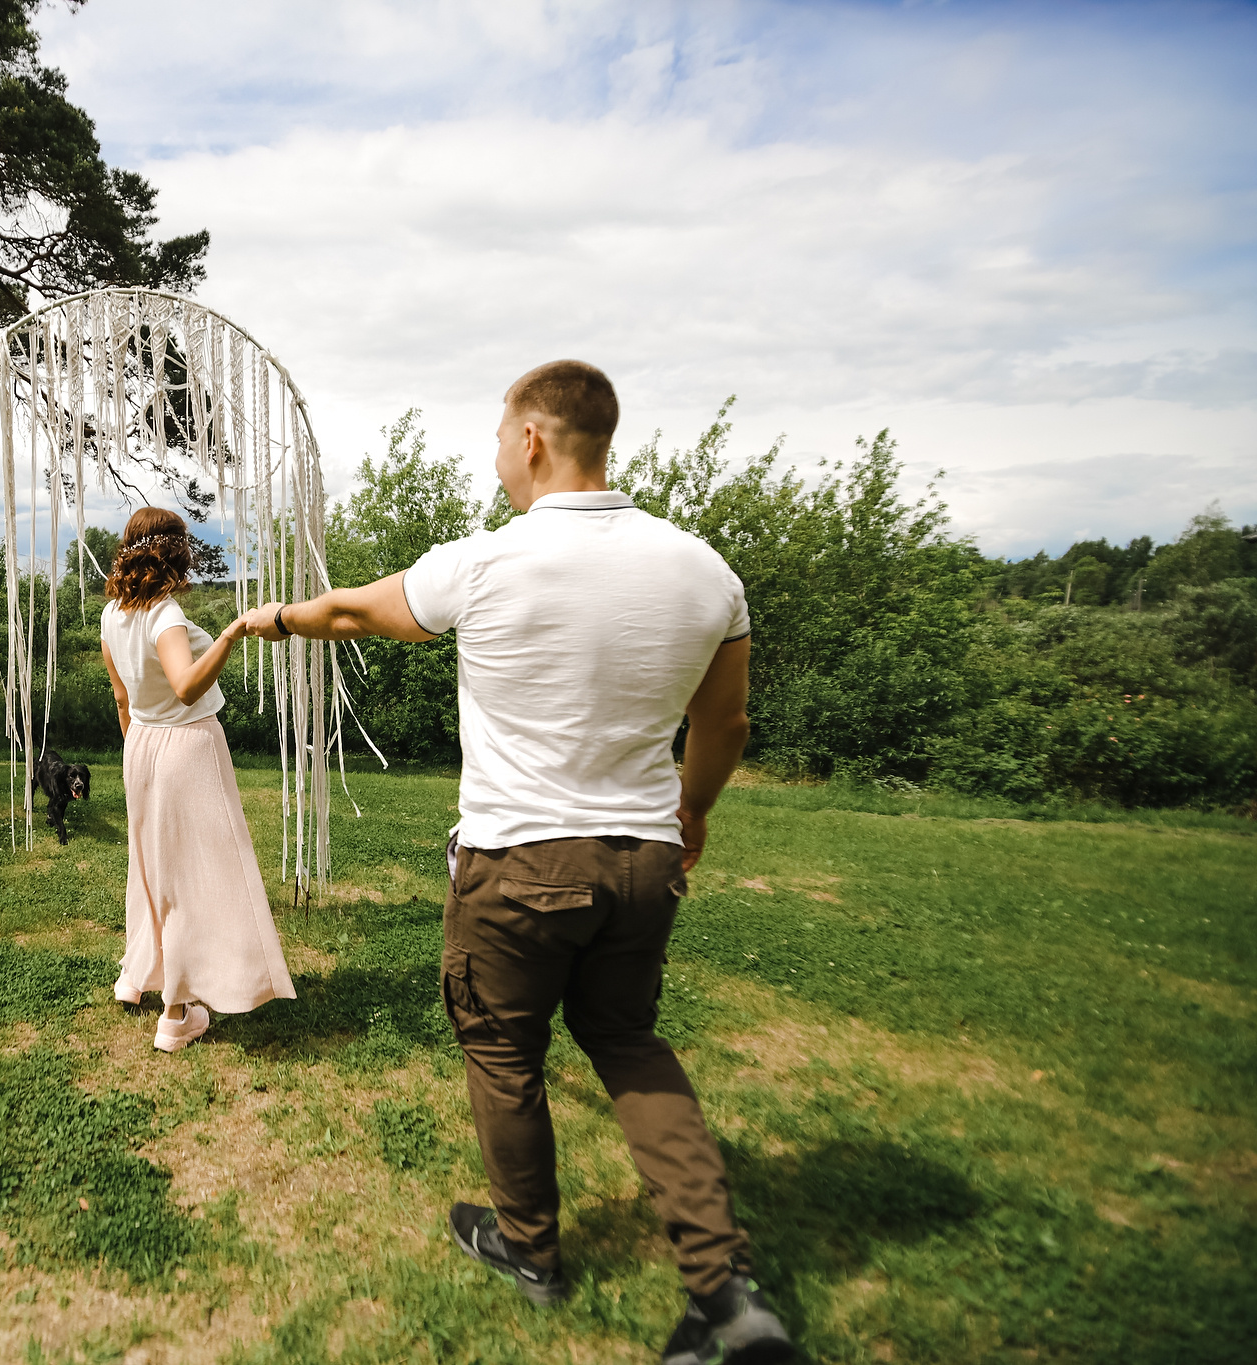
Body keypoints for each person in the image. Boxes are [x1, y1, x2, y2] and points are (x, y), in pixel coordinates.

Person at [243, 362, 793, 1365]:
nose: (496, 456)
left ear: (534, 439)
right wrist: (693, 815)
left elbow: (353, 612)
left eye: (500, 437)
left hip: (518, 865)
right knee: (627, 1042)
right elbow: (725, 722)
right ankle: (722, 1294)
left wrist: (267, 617)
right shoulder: (705, 572)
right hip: (642, 861)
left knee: (503, 1053)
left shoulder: (484, 562)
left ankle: (529, 1250)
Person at [100, 506, 297, 1053]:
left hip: (139, 745)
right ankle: (176, 1012)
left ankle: (135, 975)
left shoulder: (111, 615)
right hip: (186, 746)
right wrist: (232, 633)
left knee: (152, 870)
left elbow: (123, 697)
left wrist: (136, 753)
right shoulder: (163, 615)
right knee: (193, 875)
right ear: (176, 553)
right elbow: (186, 686)